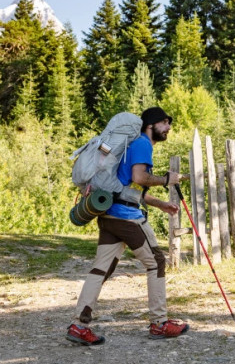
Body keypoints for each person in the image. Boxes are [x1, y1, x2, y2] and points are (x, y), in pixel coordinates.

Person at [66, 107, 189, 345]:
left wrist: (160, 204)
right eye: (165, 122)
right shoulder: (143, 144)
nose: (169, 127)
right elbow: (140, 177)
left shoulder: (131, 147)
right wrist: (166, 180)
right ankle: (159, 324)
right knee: (157, 262)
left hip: (109, 214)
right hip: (126, 217)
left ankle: (79, 326)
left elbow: (129, 189)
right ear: (151, 125)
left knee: (101, 269)